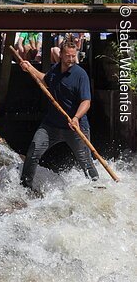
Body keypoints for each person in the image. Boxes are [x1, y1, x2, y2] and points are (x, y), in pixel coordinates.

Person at [19, 41, 99, 188]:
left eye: (73, 56)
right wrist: (30, 68)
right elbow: (45, 80)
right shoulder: (55, 69)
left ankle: (96, 186)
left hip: (76, 127)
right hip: (52, 125)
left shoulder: (80, 75)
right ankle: (25, 187)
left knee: (86, 162)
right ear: (60, 55)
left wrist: (76, 118)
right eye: (68, 56)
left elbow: (86, 102)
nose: (71, 59)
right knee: (33, 152)